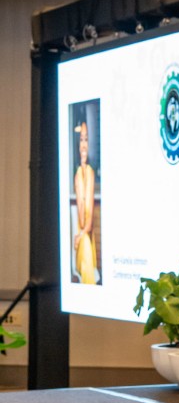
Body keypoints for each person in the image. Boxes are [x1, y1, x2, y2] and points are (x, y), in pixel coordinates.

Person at [73, 119, 96, 284]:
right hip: (80, 234)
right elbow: (81, 217)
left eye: (86, 139)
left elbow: (89, 219)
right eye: (81, 139)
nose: (83, 145)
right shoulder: (78, 175)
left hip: (85, 236)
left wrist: (80, 236)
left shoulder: (90, 172)